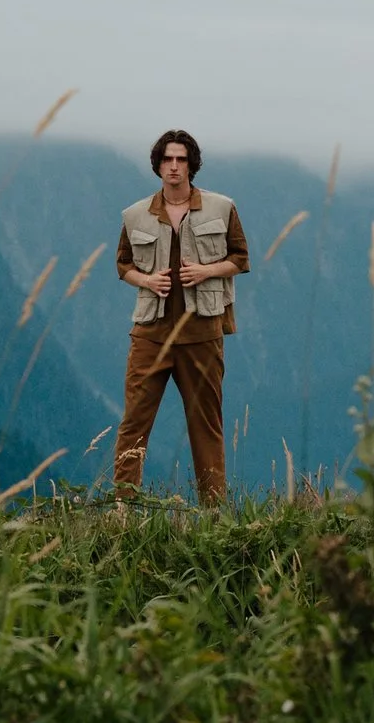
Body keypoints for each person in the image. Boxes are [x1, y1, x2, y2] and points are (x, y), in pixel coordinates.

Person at [112, 128, 248, 503]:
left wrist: (206, 271)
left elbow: (240, 259)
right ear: (158, 165)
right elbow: (123, 266)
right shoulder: (135, 215)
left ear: (192, 165)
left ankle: (214, 514)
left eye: (181, 159)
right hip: (149, 334)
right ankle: (122, 508)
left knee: (206, 427)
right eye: (167, 159)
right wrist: (148, 279)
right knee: (134, 424)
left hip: (202, 333)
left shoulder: (222, 208)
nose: (174, 167)